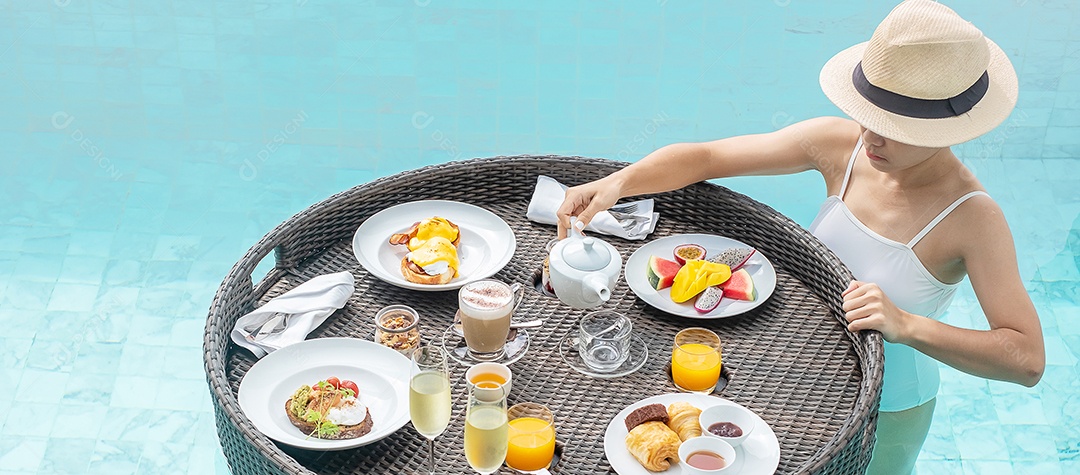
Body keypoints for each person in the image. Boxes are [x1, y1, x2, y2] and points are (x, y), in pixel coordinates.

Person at [555, 1, 1045, 474]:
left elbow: (1026, 359)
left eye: (894, 127)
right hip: (805, 378)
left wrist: (906, 325)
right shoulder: (842, 146)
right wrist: (618, 183)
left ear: (946, 125)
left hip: (890, 410)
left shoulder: (973, 217)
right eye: (869, 114)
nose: (871, 137)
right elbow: (706, 157)